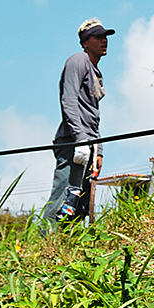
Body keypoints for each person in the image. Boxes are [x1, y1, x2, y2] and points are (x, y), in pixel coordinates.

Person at [41, 17, 114, 230]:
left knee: (80, 205)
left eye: (105, 37)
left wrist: (98, 150)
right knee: (64, 196)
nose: (104, 41)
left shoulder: (95, 72)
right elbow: (69, 101)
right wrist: (80, 139)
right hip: (73, 141)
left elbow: (92, 115)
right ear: (85, 42)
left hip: (87, 145)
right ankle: (44, 245)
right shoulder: (78, 60)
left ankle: (66, 246)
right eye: (98, 37)